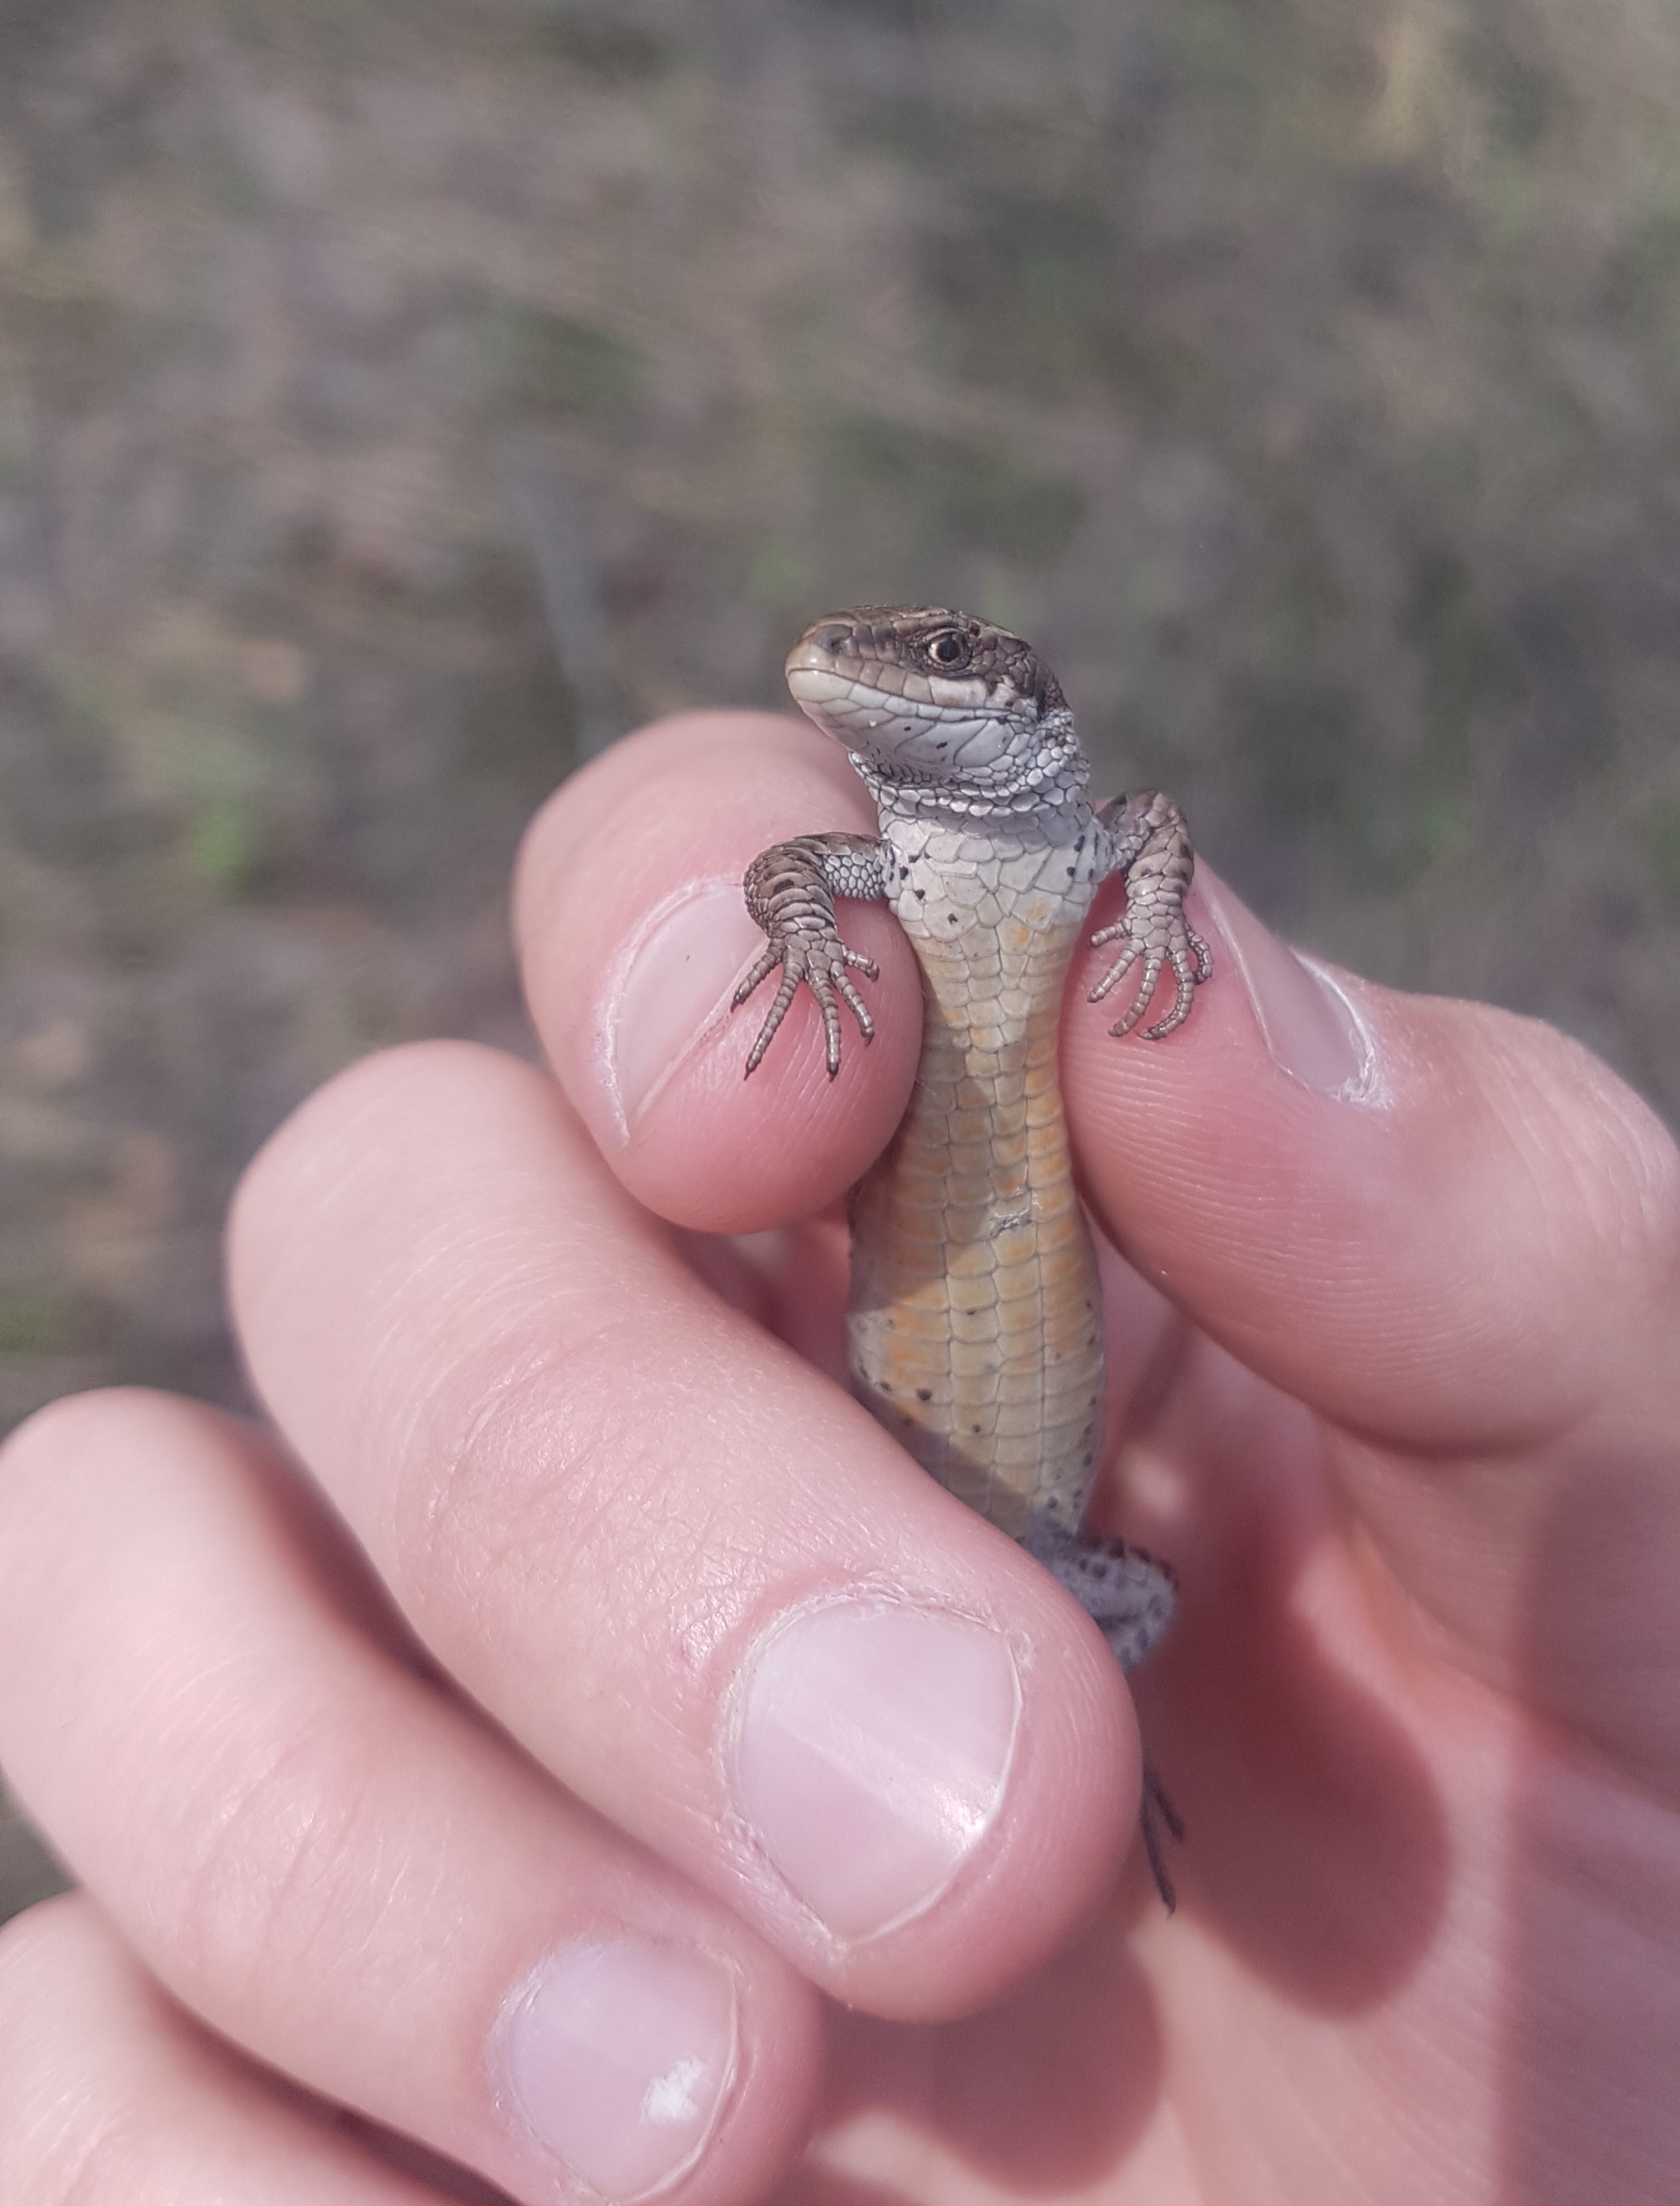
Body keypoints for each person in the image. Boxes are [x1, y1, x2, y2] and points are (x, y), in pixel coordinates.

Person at [0, 706, 1676, 2204]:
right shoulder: (876, 860)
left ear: (1012, 697)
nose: (872, 673)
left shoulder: (1071, 848)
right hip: (903, 1458)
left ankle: (1084, 1775)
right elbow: (786, 869)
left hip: (1044, 1536)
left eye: (930, 659)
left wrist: (1159, 914)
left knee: (1111, 1617)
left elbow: (1155, 836)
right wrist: (790, 941)